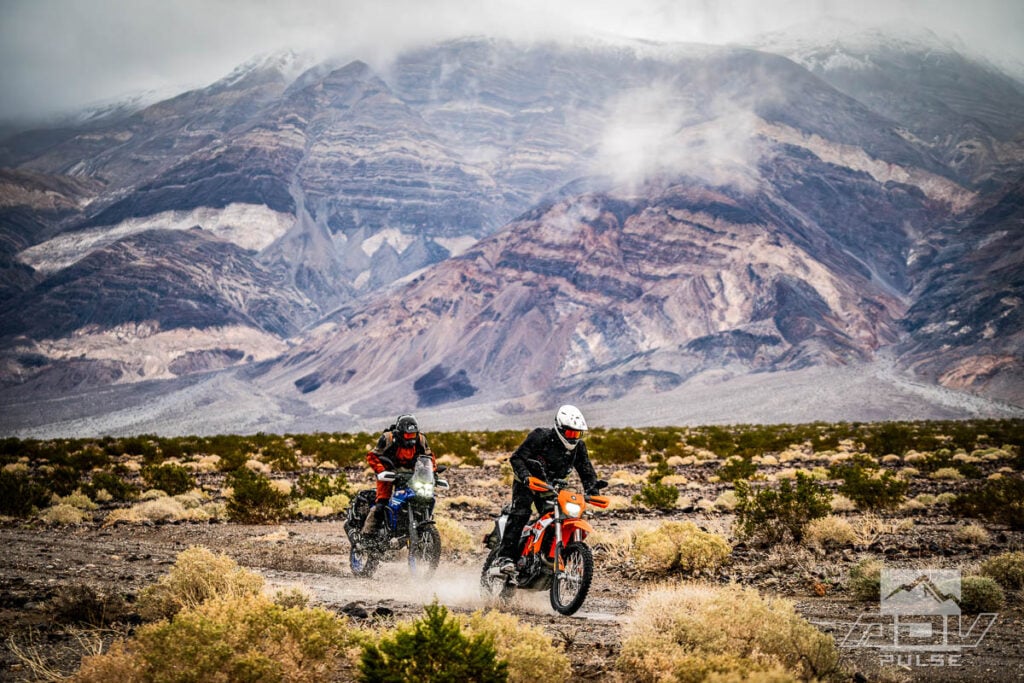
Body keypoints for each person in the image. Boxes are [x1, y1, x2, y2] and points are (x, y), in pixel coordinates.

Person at [492, 404, 602, 575]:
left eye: (577, 434)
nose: (573, 437)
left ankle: (545, 556)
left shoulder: (579, 447)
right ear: (559, 427)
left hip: (552, 487)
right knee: (521, 512)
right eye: (570, 433)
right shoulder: (540, 437)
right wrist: (526, 477)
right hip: (527, 482)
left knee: (558, 516)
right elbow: (517, 458)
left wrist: (593, 489)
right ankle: (505, 557)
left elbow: (585, 469)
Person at [361, 414, 435, 537]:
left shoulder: (421, 439)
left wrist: (432, 472)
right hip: (388, 472)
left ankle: (416, 526)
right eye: (408, 435)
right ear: (401, 432)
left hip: (411, 474)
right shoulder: (388, 438)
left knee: (422, 497)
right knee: (382, 503)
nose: (411, 438)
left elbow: (430, 457)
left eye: (413, 435)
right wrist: (381, 471)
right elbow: (372, 456)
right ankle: (367, 535)